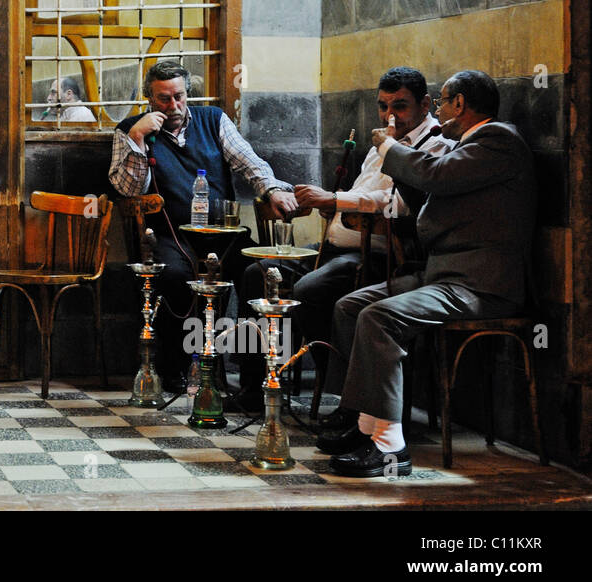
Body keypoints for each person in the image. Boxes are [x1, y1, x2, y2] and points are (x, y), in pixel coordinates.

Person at [320, 70, 535, 477]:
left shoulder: (498, 141)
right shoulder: (465, 147)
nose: (438, 110)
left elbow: (437, 176)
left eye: (442, 101)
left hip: (479, 284)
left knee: (380, 317)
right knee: (352, 305)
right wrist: (402, 165)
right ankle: (365, 422)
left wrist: (389, 148)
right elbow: (431, 194)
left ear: (460, 104)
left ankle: (389, 448)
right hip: (443, 274)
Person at [240, 67, 454, 409]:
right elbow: (362, 193)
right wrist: (331, 208)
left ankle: (339, 393)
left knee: (311, 290)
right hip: (340, 249)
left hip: (383, 258)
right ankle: (257, 386)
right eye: (383, 106)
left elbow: (398, 206)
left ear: (425, 104)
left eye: (400, 106)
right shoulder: (383, 142)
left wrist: (335, 200)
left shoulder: (438, 144)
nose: (390, 115)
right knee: (259, 273)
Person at [109, 60, 298, 396]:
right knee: (173, 277)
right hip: (168, 236)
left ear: (187, 93)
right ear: (149, 99)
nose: (173, 106)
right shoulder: (130, 130)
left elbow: (248, 160)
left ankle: (255, 379)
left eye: (178, 97)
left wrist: (271, 189)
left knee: (261, 270)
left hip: (222, 235)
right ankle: (177, 369)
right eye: (164, 99)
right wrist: (138, 137)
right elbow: (129, 190)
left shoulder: (213, 120)